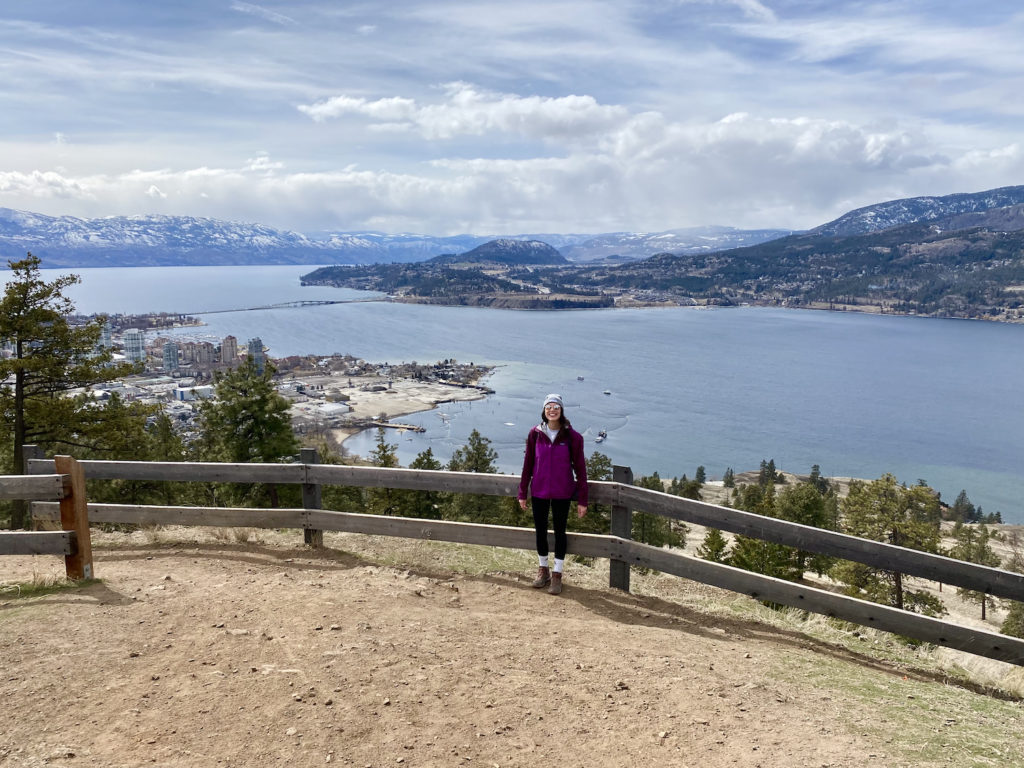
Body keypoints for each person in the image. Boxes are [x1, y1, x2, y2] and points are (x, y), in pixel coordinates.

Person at [518, 393, 588, 595]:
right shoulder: (535, 433)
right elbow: (528, 464)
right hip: (539, 489)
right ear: (544, 410)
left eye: (556, 407)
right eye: (549, 407)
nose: (552, 410)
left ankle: (557, 573)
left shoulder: (573, 437)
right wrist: (523, 491)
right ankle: (543, 570)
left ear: (561, 410)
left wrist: (582, 499)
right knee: (540, 530)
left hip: (562, 491)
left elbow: (581, 470)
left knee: (560, 531)